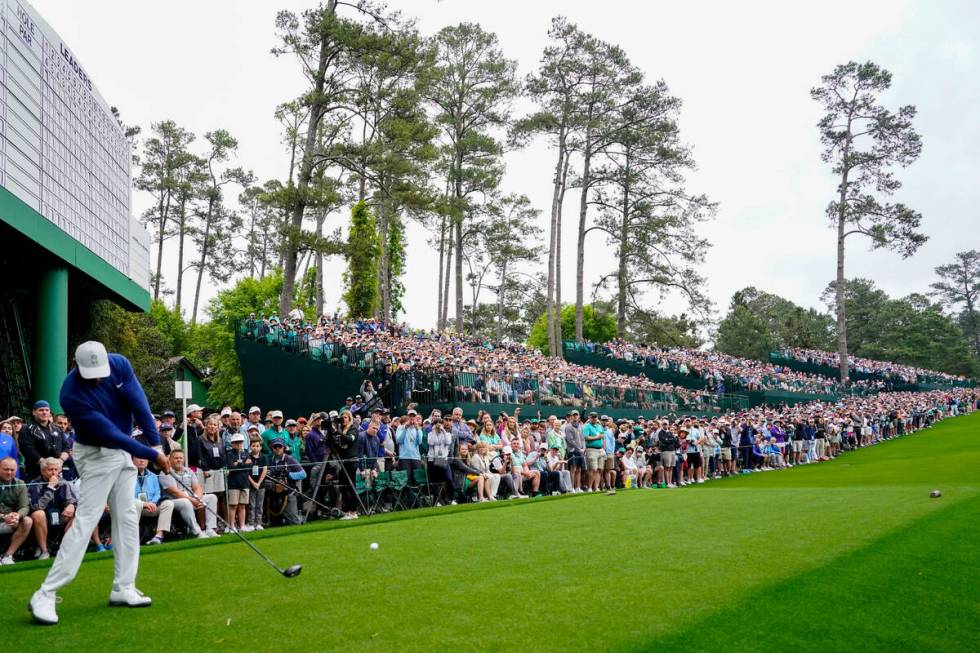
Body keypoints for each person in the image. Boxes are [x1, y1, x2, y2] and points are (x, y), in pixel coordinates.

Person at [30, 341, 169, 625]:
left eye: (100, 370)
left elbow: (140, 406)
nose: (97, 377)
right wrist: (149, 453)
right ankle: (45, 593)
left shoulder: (118, 365)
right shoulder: (71, 395)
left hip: (122, 451)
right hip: (95, 455)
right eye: (91, 372)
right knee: (87, 519)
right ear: (77, 366)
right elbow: (110, 435)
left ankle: (123, 587)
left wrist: (158, 446)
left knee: (128, 515)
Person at [159, 449, 218, 538]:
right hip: (174, 501)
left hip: (191, 498)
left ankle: (210, 529)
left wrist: (197, 499)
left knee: (212, 497)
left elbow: (197, 487)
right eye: (176, 458)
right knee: (185, 502)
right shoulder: (165, 472)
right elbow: (175, 492)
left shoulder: (188, 471)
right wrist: (192, 500)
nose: (179, 460)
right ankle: (197, 532)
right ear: (170, 459)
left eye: (181, 458)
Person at [28, 458, 77, 560]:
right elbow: (36, 507)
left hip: (61, 516)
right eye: (50, 470)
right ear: (42, 471)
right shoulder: (35, 483)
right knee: (38, 514)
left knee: (78, 512)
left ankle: (64, 547)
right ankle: (44, 551)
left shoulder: (64, 483)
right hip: (43, 519)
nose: (54, 472)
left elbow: (73, 500)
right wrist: (50, 488)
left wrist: (72, 505)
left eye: (56, 469)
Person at [18, 400, 69, 481]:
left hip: (57, 472)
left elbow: (66, 447)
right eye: (41, 410)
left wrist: (60, 461)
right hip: (35, 473)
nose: (44, 412)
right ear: (34, 412)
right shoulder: (27, 429)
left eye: (46, 410)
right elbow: (27, 449)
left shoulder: (57, 429)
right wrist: (44, 463)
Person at [131, 456, 171, 546]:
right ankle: (132, 539)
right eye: (138, 458)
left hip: (151, 507)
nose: (141, 460)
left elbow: (157, 493)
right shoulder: (127, 476)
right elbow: (125, 496)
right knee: (136, 504)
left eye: (144, 458)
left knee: (168, 503)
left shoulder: (152, 476)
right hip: (134, 508)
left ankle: (158, 536)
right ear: (132, 460)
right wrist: (143, 503)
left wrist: (153, 503)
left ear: (148, 461)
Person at [0, 456, 32, 564]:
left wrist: (17, 516)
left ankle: (8, 556)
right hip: (2, 518)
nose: (9, 472)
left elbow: (25, 507)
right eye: (6, 469)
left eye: (12, 470)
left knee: (27, 521)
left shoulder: (20, 484)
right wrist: (4, 517)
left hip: (11, 521)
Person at [245, 436, 267, 531]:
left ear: (260, 447)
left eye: (257, 446)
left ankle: (258, 523)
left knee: (259, 505)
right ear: (250, 447)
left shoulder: (264, 457)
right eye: (253, 446)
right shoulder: (247, 457)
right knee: (252, 505)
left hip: (261, 485)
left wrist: (258, 483)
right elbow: (246, 472)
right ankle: (251, 523)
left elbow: (264, 470)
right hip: (251, 484)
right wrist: (253, 483)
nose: (255, 448)